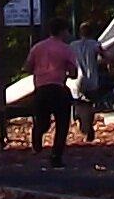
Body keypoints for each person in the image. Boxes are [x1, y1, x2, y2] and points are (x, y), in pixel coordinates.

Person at [23, 29, 81, 157]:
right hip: (58, 88)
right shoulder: (66, 49)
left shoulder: (37, 47)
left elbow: (27, 67)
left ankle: (37, 137)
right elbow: (73, 73)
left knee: (42, 122)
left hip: (41, 89)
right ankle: (56, 154)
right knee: (62, 123)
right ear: (63, 31)